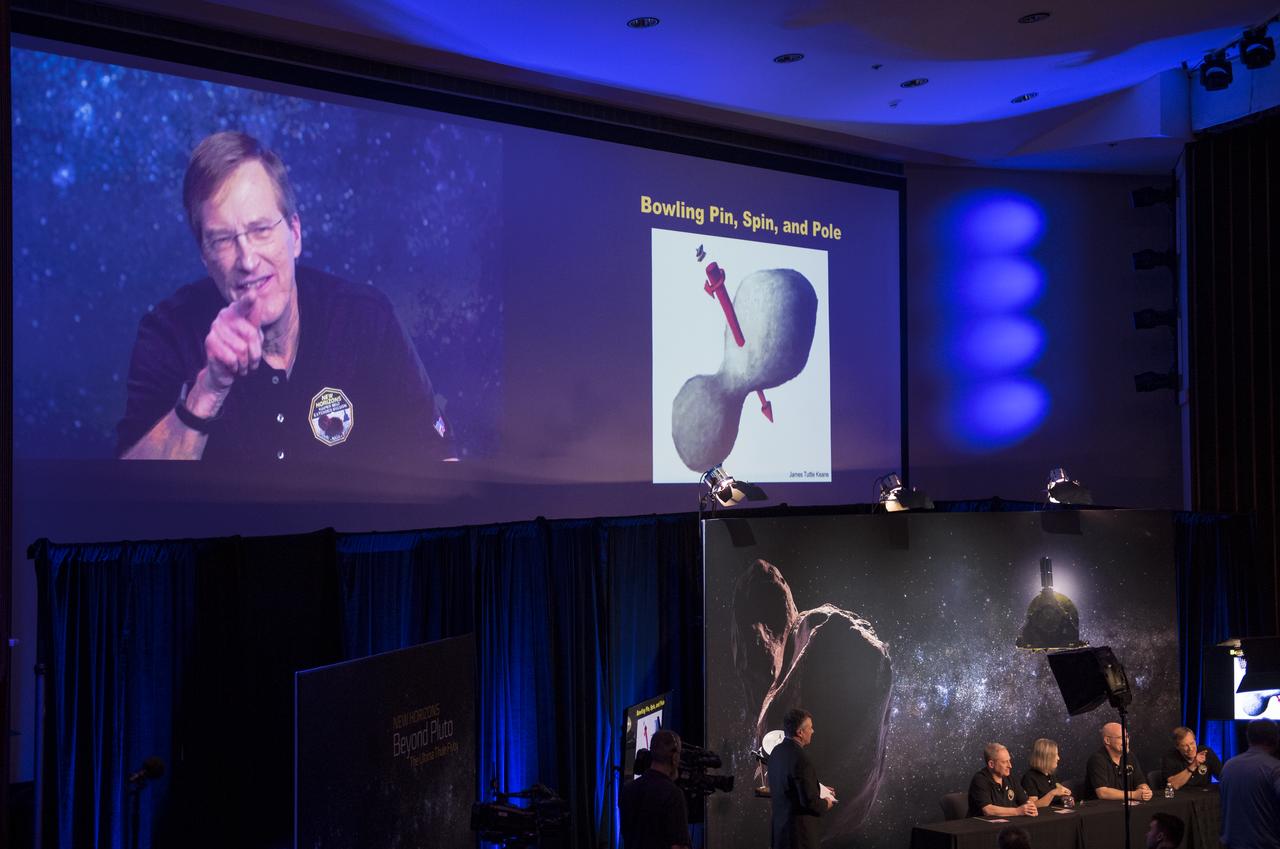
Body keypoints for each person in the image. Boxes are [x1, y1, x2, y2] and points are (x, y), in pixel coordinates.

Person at [117, 131, 453, 467]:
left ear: (294, 233)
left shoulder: (366, 320)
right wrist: (208, 389)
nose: (247, 261)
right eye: (222, 240)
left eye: (261, 229)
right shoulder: (167, 333)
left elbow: (440, 467)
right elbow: (131, 499)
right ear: (205, 256)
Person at [768, 708, 835, 849]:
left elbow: (789, 784)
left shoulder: (776, 752)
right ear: (800, 732)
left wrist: (817, 787)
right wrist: (826, 803)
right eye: (810, 728)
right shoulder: (801, 759)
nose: (813, 731)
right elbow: (809, 802)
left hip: (780, 834)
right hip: (798, 838)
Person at [619, 729, 691, 849]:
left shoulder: (628, 789)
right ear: (674, 757)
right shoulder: (673, 795)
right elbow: (678, 846)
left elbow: (625, 834)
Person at [1220, 718, 1280, 849]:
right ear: (1276, 738)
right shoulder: (1275, 768)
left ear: (1248, 738)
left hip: (1231, 844)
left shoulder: (1228, 765)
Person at [1085, 722, 1153, 801]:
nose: (1126, 741)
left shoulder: (1130, 756)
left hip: (1124, 806)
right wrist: (1133, 794)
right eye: (1121, 738)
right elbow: (1102, 793)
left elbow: (1140, 781)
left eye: (1127, 737)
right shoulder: (1097, 759)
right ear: (1107, 740)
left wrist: (1145, 790)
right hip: (1101, 810)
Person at [968, 743, 1037, 818]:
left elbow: (1025, 801)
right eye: (1004, 762)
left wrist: (1031, 808)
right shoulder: (980, 780)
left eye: (1009, 761)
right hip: (983, 826)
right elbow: (988, 810)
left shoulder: (1010, 778)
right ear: (991, 764)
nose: (1010, 766)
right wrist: (1017, 811)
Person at [1159, 726, 1222, 790]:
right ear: (1177, 747)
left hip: (1204, 796)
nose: (1190, 748)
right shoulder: (1170, 757)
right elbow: (1173, 785)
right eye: (1185, 746)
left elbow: (1222, 777)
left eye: (1192, 743)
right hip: (1181, 797)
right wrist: (1194, 765)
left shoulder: (1207, 753)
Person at [1020, 737, 1073, 808]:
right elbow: (1032, 806)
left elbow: (1056, 799)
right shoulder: (1030, 778)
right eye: (1055, 755)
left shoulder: (1051, 775)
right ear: (1046, 758)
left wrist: (1065, 798)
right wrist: (1053, 793)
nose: (1058, 758)